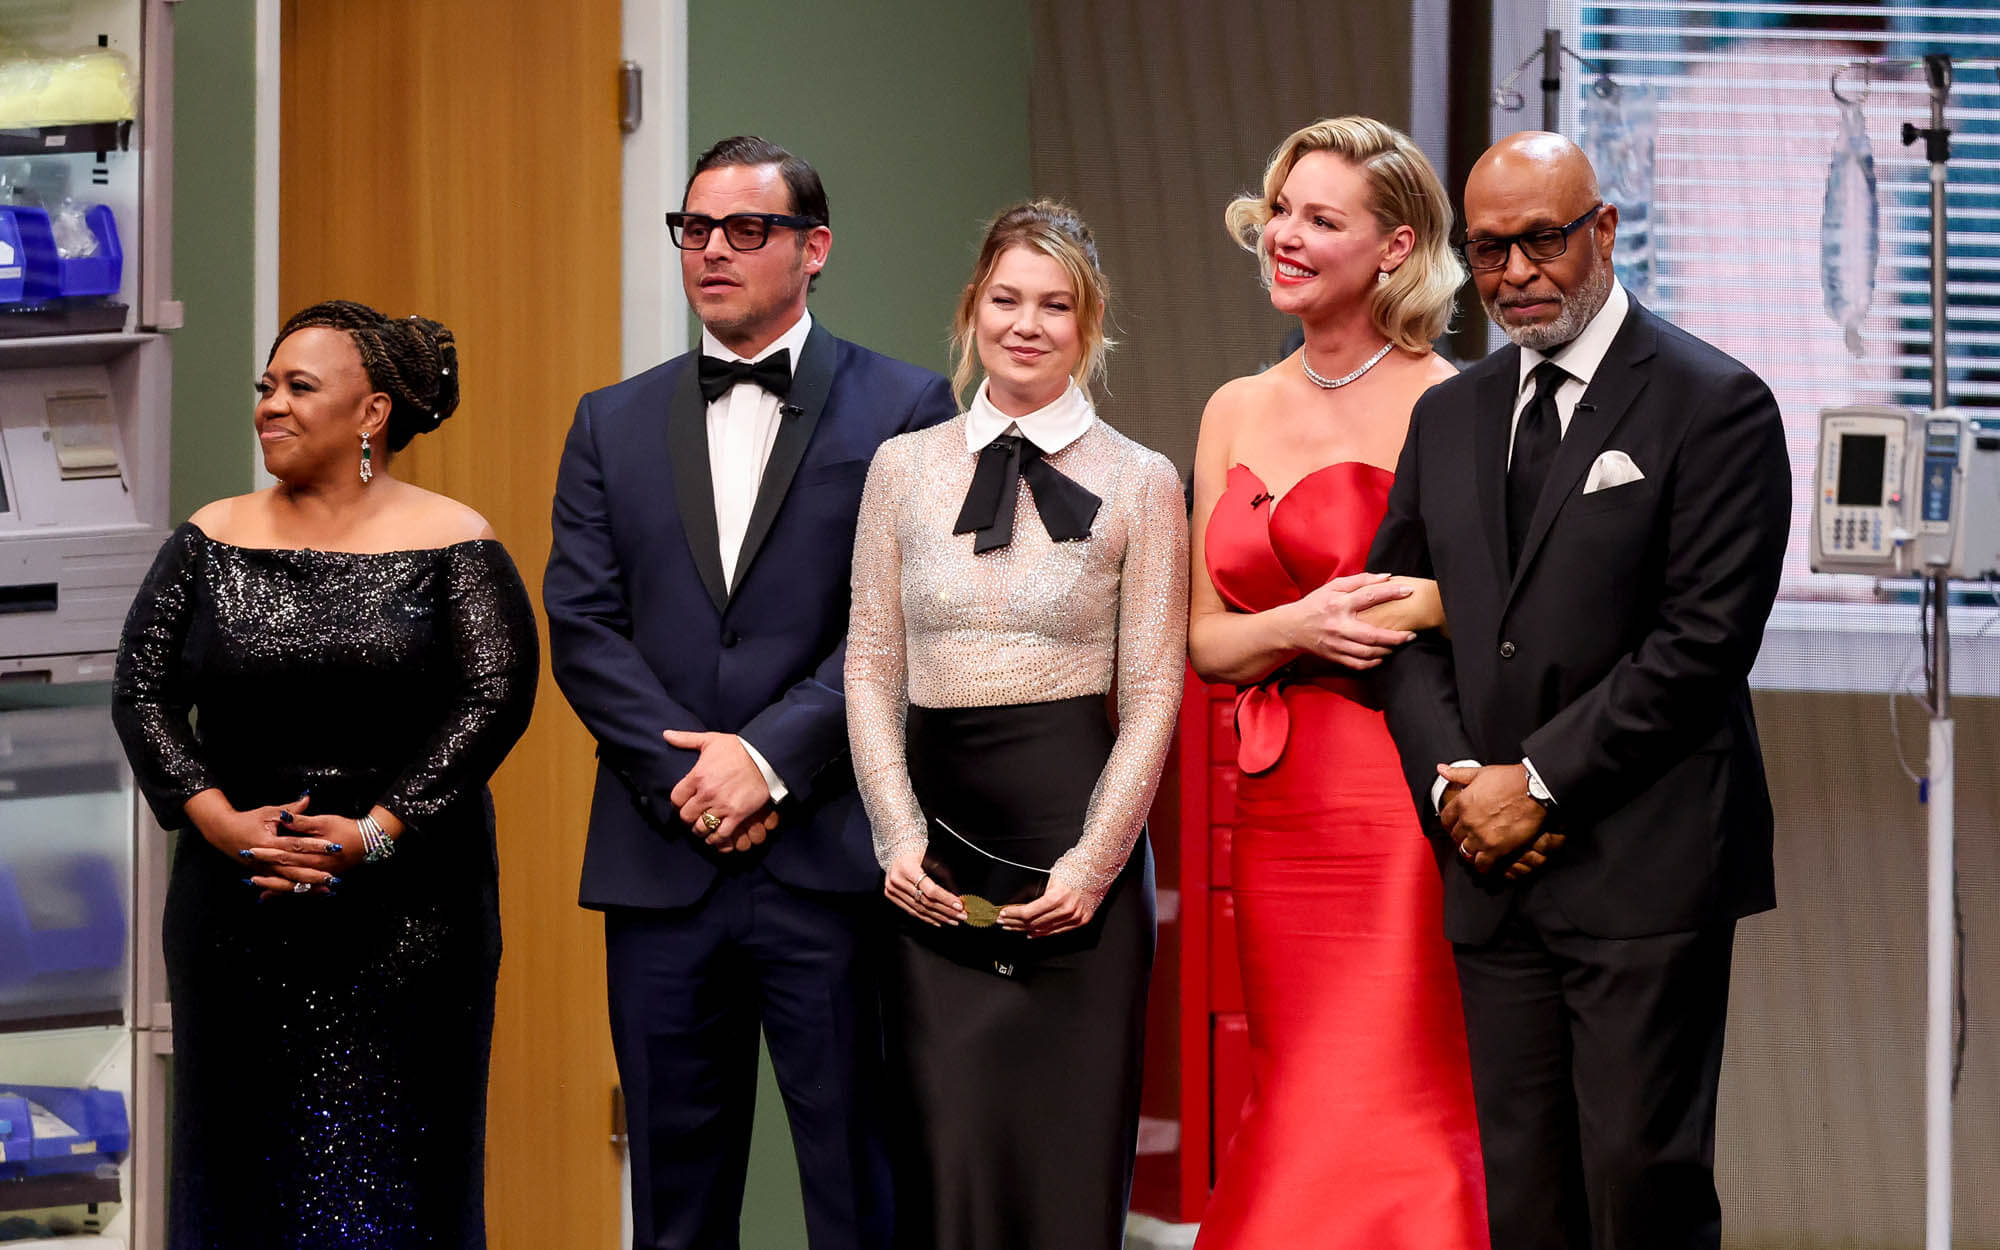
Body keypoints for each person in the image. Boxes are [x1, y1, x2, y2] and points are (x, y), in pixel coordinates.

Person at [1367, 132, 1790, 1250]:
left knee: (1637, 1180)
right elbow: (1395, 620)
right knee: (1525, 1189)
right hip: (1488, 868)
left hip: (1643, 864)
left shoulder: (1714, 402)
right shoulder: (1446, 415)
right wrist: (1459, 787)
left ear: (1601, 231)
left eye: (1540, 240)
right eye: (1489, 248)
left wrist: (1539, 784)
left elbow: (1701, 643)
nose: (1513, 273)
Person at [544, 135, 956, 1250]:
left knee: (857, 1187)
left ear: (813, 249)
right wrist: (692, 776)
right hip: (660, 853)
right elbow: (580, 626)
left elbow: (906, 619)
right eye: (693, 228)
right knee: (674, 1200)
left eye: (745, 229)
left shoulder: (908, 405)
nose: (711, 249)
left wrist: (766, 757)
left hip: (828, 852)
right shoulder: (608, 420)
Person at [111, 300, 539, 1250]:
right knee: (237, 1177)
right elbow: (140, 691)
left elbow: (494, 701)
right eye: (267, 386)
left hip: (409, 922)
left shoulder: (455, 544)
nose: (271, 405)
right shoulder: (208, 538)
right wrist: (219, 822)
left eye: (300, 387)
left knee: (395, 1185)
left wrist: (377, 830)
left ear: (373, 413)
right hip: (238, 914)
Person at [846, 200, 1186, 1250]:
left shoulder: (1141, 477)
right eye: (1006, 299)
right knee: (946, 1166)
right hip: (935, 861)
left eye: (1055, 305)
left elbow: (1153, 690)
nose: (1026, 323)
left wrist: (1091, 863)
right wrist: (896, 838)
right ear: (971, 311)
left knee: (1064, 1171)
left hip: (1074, 850)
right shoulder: (902, 468)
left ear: (1088, 327)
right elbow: (867, 662)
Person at [1186, 116, 1488, 1248]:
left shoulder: (1448, 399)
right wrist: (1295, 620)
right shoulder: (1230, 406)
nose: (1286, 235)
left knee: (1389, 1095)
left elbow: (1497, 598)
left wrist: (1376, 609)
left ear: (1395, 246)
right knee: (1297, 1079)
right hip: (1271, 802)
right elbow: (1202, 644)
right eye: (1280, 211)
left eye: (1322, 218)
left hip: (1394, 796)